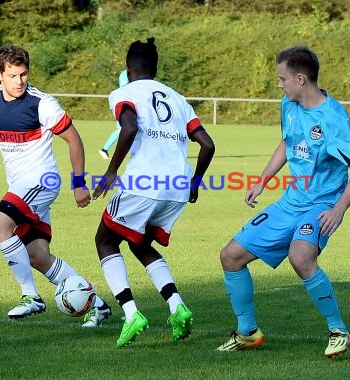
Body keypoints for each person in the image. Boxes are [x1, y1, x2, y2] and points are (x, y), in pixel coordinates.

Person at [216, 45, 350, 357]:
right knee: (230, 256)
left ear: (300, 79)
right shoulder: (288, 103)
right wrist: (261, 180)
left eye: (282, 78)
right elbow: (288, 142)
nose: (279, 84)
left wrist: (339, 209)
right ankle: (247, 332)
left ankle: (338, 330)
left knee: (301, 258)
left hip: (321, 204)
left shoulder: (333, 118)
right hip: (290, 202)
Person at [0, 44, 111, 326]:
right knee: (37, 256)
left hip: (42, 180)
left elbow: (74, 139)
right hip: (20, 185)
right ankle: (97, 304)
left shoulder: (42, 104)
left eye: (24, 75)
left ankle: (31, 297)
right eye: (13, 75)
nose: (20, 81)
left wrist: (79, 183)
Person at [92, 37, 215, 347]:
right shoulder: (177, 98)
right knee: (140, 243)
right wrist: (196, 183)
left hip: (144, 183)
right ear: (155, 68)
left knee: (105, 240)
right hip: (176, 186)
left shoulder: (124, 93)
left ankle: (131, 313)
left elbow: (129, 127)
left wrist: (110, 171)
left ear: (128, 68)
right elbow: (208, 144)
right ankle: (177, 307)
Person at [98, 69, 129, 159]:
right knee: (121, 130)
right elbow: (124, 87)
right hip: (125, 103)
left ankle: (105, 150)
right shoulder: (125, 73)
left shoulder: (132, 72)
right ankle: (104, 149)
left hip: (128, 103)